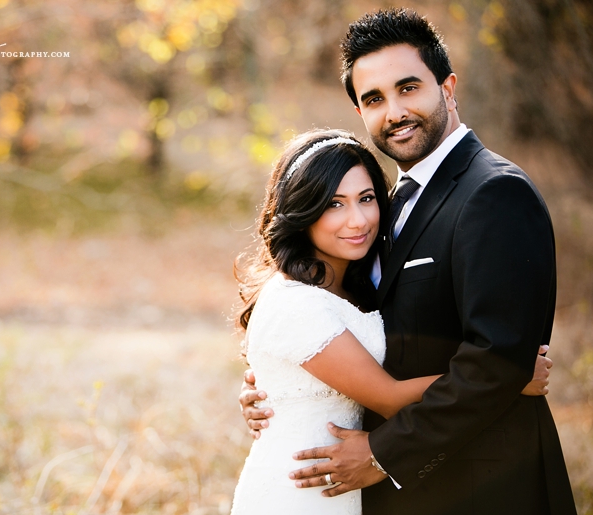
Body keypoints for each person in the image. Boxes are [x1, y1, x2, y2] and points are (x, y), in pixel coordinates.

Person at [239, 8, 576, 515]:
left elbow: (496, 360)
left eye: (408, 88)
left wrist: (383, 454)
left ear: (448, 87)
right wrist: (281, 388)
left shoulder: (493, 193)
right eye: (374, 99)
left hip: (484, 483)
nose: (394, 111)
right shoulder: (388, 205)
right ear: (360, 111)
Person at [230, 129, 552, 514]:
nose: (358, 220)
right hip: (302, 486)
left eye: (366, 199)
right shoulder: (296, 302)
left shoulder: (354, 282)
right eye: (334, 204)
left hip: (348, 484)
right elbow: (390, 397)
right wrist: (508, 376)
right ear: (302, 211)